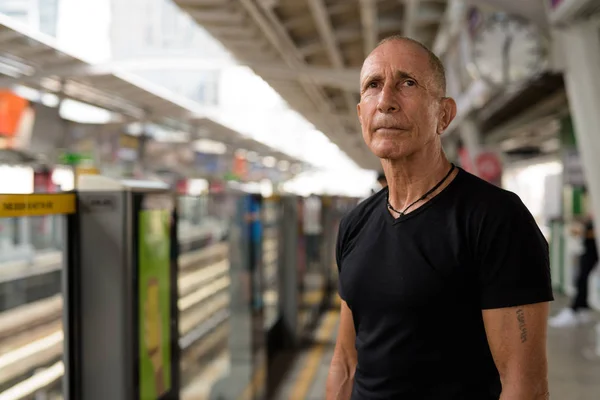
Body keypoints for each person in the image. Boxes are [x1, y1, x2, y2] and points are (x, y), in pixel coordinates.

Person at [326, 35, 553, 399]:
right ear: (361, 114)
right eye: (373, 86)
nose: (386, 101)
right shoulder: (355, 225)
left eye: (408, 83)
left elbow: (524, 384)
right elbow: (345, 361)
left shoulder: (496, 220)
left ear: (444, 114)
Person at [549, 214, 598, 327]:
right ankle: (580, 308)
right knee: (582, 276)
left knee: (582, 276)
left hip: (592, 240)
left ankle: (578, 308)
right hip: (591, 241)